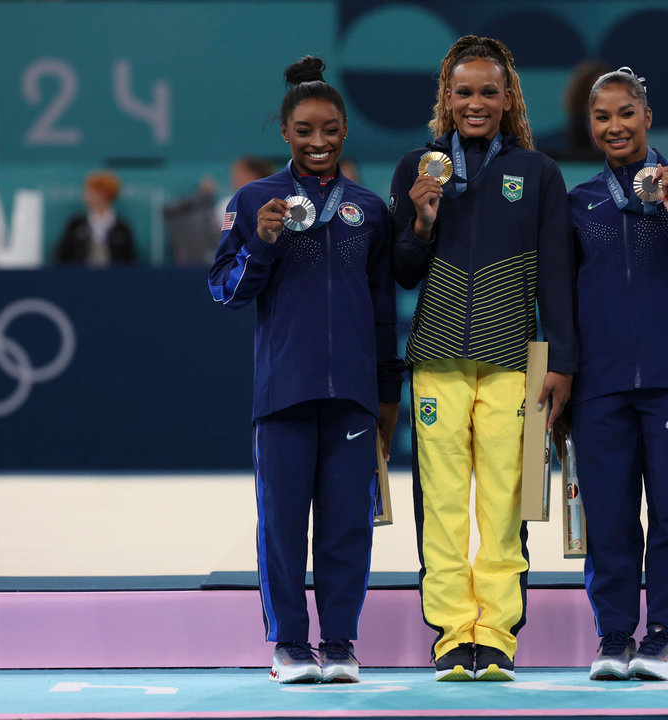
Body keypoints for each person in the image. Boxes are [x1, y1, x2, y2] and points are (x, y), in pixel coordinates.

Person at [207, 56, 403, 685]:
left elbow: (381, 312)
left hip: (351, 394)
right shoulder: (254, 200)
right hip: (283, 393)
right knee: (284, 525)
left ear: (345, 131)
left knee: (347, 525)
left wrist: (385, 394)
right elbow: (225, 290)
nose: (318, 142)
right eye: (304, 131)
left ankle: (341, 642)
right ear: (285, 133)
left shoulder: (369, 209)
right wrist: (260, 246)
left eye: (331, 130)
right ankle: (291, 644)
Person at [390, 35, 577, 682]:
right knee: (441, 505)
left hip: (514, 363)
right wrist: (418, 223)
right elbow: (403, 272)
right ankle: (450, 635)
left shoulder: (539, 172)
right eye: (463, 91)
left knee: (505, 503)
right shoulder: (417, 168)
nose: (475, 103)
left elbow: (557, 276)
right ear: (446, 97)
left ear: (507, 98)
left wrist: (562, 362)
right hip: (437, 357)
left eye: (488, 92)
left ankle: (494, 635)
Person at [566, 67, 668, 682]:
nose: (615, 126)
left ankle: (662, 636)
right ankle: (614, 637)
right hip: (600, 386)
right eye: (602, 117)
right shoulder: (579, 202)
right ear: (591, 126)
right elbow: (559, 300)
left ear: (647, 116)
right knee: (608, 516)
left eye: (625, 113)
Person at [53, 170, 137, 266]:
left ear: (104, 194)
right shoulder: (76, 225)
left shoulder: (122, 228)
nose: (87, 195)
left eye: (92, 191)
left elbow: (130, 261)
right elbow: (61, 257)